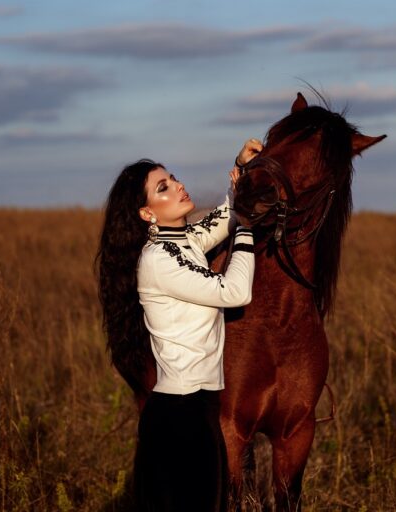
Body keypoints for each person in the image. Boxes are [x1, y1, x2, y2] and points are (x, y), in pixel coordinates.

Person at [96, 139, 262, 511]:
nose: (178, 185)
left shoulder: (183, 241)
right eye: (163, 187)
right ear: (146, 213)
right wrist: (247, 232)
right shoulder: (158, 259)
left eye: (172, 178)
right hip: (177, 419)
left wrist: (243, 167)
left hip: (201, 411)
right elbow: (234, 291)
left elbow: (227, 215)